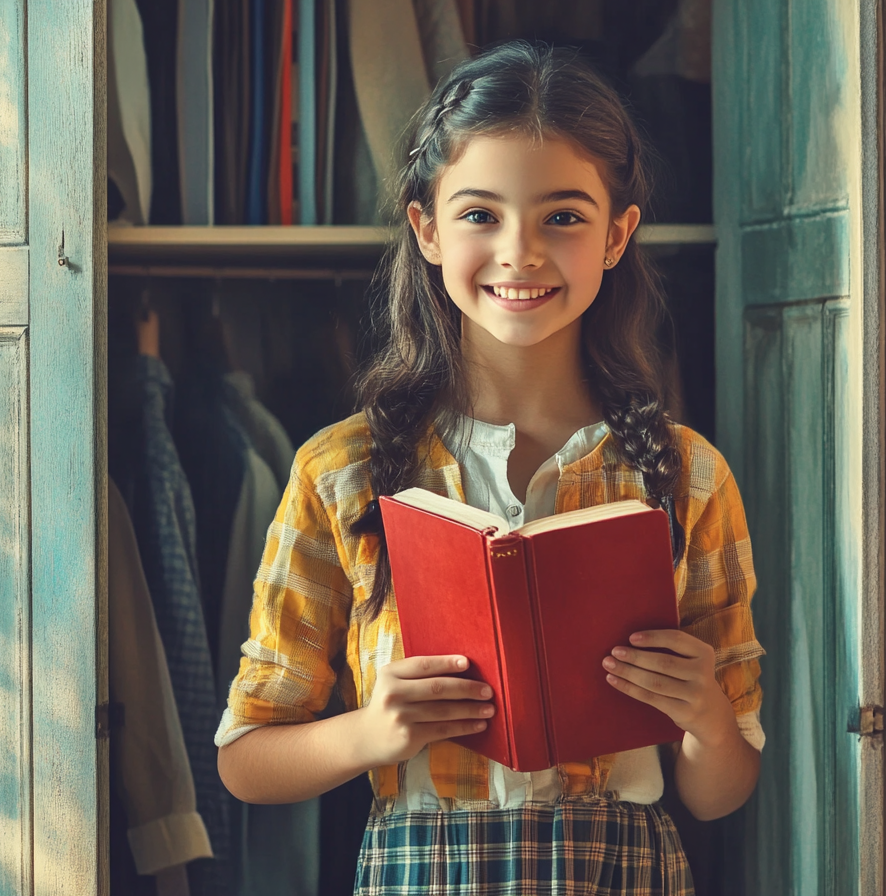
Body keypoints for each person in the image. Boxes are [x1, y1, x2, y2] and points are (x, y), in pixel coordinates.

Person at [215, 40, 765, 895]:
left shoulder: (689, 476)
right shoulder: (342, 470)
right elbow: (246, 760)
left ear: (618, 234)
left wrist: (705, 720)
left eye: (563, 216)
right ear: (426, 228)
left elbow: (721, 791)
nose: (521, 252)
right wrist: (372, 733)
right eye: (480, 215)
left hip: (623, 872)